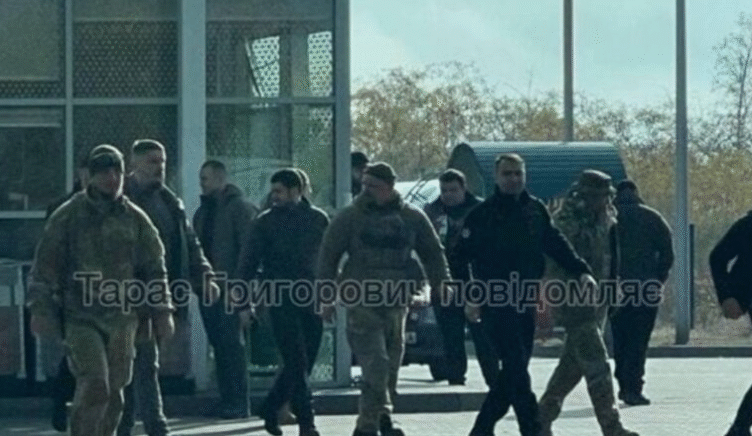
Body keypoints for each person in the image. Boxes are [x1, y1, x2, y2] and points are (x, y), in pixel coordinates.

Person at [27, 144, 175, 436]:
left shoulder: (135, 218)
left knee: (116, 390)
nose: (111, 178)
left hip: (123, 318)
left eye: (116, 171)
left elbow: (155, 268)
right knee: (95, 381)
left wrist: (162, 312)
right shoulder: (68, 216)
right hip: (80, 317)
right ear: (91, 176)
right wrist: (40, 309)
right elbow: (45, 266)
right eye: (104, 172)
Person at [453, 153, 595, 436]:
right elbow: (458, 258)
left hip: (526, 299)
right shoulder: (482, 215)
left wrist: (581, 271)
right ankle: (532, 428)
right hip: (495, 301)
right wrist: (470, 295)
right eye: (507, 174)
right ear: (496, 177)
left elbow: (555, 243)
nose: (514, 179)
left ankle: (482, 430)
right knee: (516, 366)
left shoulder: (535, 209)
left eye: (518, 173)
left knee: (514, 371)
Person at [317, 162, 451, 436]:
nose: (367, 190)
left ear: (389, 186)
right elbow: (328, 256)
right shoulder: (350, 217)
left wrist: (442, 284)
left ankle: (369, 424)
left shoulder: (411, 217)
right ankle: (384, 415)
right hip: (361, 300)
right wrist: (325, 297)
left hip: (398, 301)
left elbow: (433, 253)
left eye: (374, 186)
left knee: (391, 363)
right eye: (364, 185)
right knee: (375, 362)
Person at [118, 139, 218, 436]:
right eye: (152, 161)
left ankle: (140, 426)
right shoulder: (120, 200)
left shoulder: (169, 201)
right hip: (123, 296)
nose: (159, 167)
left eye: (162, 161)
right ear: (134, 163)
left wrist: (205, 275)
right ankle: (145, 426)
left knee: (144, 364)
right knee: (133, 365)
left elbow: (189, 242)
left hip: (159, 297)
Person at [537, 170, 639, 436]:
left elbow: (611, 256)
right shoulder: (566, 221)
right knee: (597, 364)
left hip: (598, 299)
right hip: (572, 301)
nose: (603, 202)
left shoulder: (606, 217)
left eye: (606, 196)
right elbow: (556, 261)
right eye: (597, 197)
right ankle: (611, 427)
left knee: (572, 366)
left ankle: (541, 418)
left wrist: (613, 289)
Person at [236, 168, 329, 436]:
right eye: (273, 191)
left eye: (279, 191)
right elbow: (247, 264)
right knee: (296, 362)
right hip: (279, 300)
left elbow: (328, 259)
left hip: (311, 298)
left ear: (296, 191)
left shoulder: (318, 219)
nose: (274, 196)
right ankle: (307, 422)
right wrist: (243, 303)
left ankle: (270, 406)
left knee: (305, 361)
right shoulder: (264, 222)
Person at [193, 160, 258, 419]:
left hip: (231, 289)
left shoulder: (239, 209)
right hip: (209, 291)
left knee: (232, 347)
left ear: (220, 179)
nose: (201, 184)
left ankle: (239, 403)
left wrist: (243, 294)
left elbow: (249, 254)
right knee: (220, 346)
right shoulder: (204, 212)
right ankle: (228, 399)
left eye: (205, 178)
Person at [423, 168, 497, 387]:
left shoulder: (481, 210)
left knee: (483, 336)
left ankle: (495, 382)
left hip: (476, 281)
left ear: (464, 188)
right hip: (445, 281)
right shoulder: (432, 212)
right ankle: (455, 381)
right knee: (450, 335)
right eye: (444, 190)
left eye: (453, 190)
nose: (448, 195)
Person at [610, 179, 673, 406]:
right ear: (636, 193)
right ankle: (633, 388)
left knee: (619, 338)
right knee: (639, 340)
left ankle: (622, 382)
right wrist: (658, 279)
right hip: (646, 289)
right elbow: (667, 253)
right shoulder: (653, 217)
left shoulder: (609, 218)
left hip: (614, 289)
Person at [44, 159, 89, 433]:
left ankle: (75, 407)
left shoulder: (113, 207)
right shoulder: (63, 208)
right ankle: (62, 404)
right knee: (75, 350)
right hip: (71, 290)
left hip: (103, 292)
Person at [710, 210, 752, 436]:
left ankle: (740, 427)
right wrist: (727, 296)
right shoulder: (748, 226)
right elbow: (717, 257)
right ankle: (740, 427)